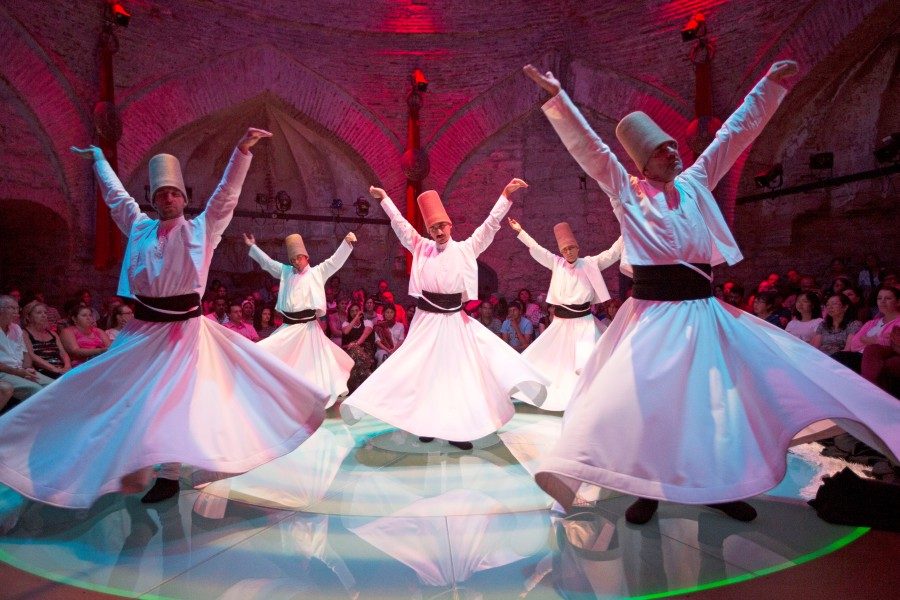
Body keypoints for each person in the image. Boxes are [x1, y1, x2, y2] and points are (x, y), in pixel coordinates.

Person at [524, 60, 899, 525]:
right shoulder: (626, 192)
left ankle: (718, 487)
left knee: (713, 403)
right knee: (652, 406)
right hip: (655, 318)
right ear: (643, 163)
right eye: (662, 151)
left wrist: (768, 88)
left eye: (672, 146)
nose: (673, 154)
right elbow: (593, 151)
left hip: (703, 312)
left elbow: (732, 138)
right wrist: (558, 98)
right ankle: (650, 490)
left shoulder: (696, 184)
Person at [0, 128, 328, 509]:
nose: (167, 198)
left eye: (173, 193)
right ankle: (75, 453)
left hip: (183, 332)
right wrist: (102, 162)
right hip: (141, 330)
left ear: (183, 198)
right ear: (153, 199)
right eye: (160, 194)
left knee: (171, 400)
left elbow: (226, 196)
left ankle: (167, 475)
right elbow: (117, 198)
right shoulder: (140, 228)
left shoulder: (202, 229)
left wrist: (240, 151)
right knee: (103, 388)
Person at [341, 183, 547, 451]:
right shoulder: (421, 246)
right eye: (433, 228)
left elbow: (489, 226)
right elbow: (401, 225)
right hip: (427, 321)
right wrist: (385, 200)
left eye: (442, 226)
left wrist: (505, 196)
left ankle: (458, 430)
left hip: (453, 320)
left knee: (456, 375)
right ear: (429, 231)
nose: (438, 231)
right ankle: (426, 425)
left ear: (450, 226)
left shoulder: (465, 248)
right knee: (425, 374)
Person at [508, 218, 623, 410]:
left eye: (571, 248)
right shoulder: (557, 263)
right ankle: (563, 398)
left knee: (587, 361)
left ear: (577, 248)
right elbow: (537, 250)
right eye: (565, 250)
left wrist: (627, 230)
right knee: (553, 361)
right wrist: (520, 231)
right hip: (562, 322)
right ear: (561, 252)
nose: (568, 252)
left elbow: (612, 253)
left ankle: (588, 401)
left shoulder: (590, 264)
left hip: (584, 322)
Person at [246, 230, 356, 407]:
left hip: (308, 328)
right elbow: (268, 263)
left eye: (298, 257)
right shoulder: (286, 272)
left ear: (306, 257)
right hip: (289, 327)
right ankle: (283, 400)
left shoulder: (318, 272)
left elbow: (334, 262)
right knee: (271, 356)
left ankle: (312, 402)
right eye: (292, 259)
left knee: (312, 367)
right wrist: (253, 247)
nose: (296, 262)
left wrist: (346, 243)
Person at [0, 295, 54, 411]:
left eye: (17, 308)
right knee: (36, 391)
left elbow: (25, 354)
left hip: (19, 370)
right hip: (4, 372)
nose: (16, 312)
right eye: (12, 308)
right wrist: (18, 372)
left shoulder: (16, 328)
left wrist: (26, 368)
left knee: (54, 386)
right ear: (1, 309)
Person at [832, 285, 900, 373]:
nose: (882, 301)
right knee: (837, 358)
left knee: (839, 358)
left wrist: (868, 340)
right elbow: (854, 344)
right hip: (858, 355)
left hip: (875, 359)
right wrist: (872, 340)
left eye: (888, 298)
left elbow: (892, 343)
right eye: (879, 298)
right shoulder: (871, 323)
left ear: (898, 302)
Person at [22, 300, 71, 379]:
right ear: (28, 316)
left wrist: (67, 366)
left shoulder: (53, 334)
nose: (44, 315)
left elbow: (63, 353)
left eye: (45, 313)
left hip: (61, 369)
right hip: (42, 370)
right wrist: (54, 369)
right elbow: (32, 355)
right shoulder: (25, 333)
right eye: (39, 313)